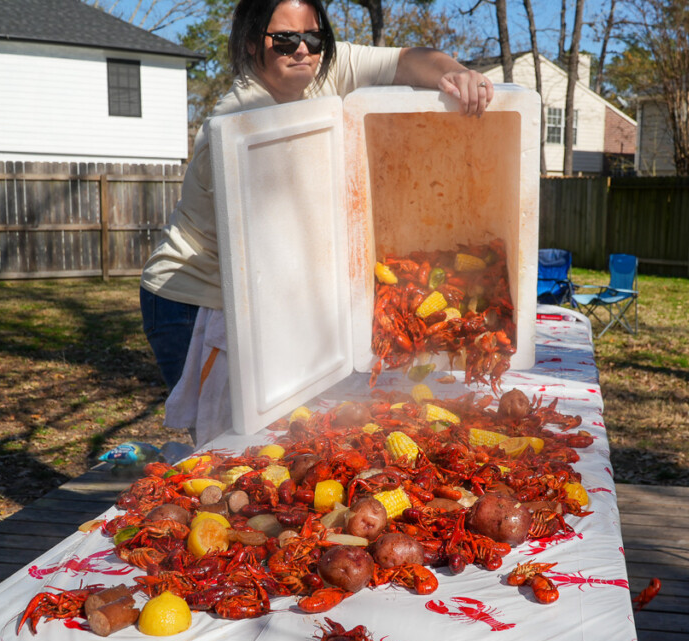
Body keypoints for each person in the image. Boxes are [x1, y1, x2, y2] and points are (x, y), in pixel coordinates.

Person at [140, 0, 494, 396]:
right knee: (228, 439)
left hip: (257, 294)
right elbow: (279, 247)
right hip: (193, 301)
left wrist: (457, 74)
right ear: (253, 42)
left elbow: (407, 60)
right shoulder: (239, 122)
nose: (303, 50)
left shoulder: (326, 66)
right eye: (285, 40)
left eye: (313, 36)